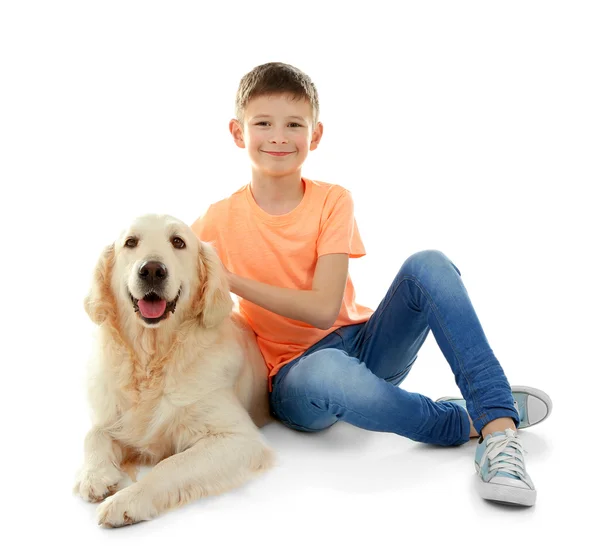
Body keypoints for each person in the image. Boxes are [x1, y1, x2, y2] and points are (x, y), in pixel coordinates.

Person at [191, 62, 552, 507]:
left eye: (293, 124)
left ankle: (497, 428)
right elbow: (175, 270)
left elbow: (325, 309)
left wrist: (231, 281)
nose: (278, 137)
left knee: (429, 264)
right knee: (325, 368)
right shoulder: (216, 219)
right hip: (296, 378)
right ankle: (457, 420)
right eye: (262, 123)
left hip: (364, 345)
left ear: (315, 135)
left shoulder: (332, 200)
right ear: (237, 132)